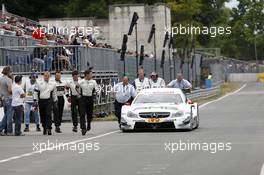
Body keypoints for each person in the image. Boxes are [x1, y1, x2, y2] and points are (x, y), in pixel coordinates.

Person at [77, 69, 98, 135]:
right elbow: (76, 87)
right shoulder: (81, 81)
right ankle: (83, 128)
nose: (91, 75)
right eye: (90, 74)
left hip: (90, 98)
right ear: (87, 75)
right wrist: (79, 93)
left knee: (89, 114)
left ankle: (89, 123)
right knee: (82, 114)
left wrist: (95, 94)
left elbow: (97, 89)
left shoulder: (93, 82)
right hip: (83, 98)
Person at [0, 66, 13, 136]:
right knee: (9, 116)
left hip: (3, 98)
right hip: (9, 99)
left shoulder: (0, 79)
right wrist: (14, 92)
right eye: (10, 71)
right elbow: (9, 90)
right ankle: (9, 131)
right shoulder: (9, 80)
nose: (11, 72)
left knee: (6, 115)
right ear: (8, 72)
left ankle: (4, 130)